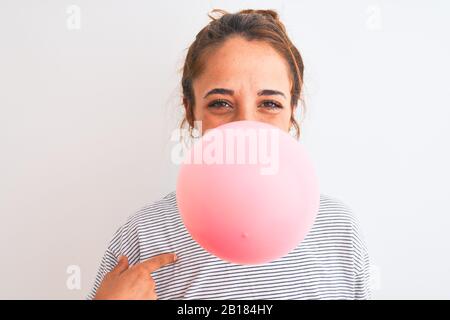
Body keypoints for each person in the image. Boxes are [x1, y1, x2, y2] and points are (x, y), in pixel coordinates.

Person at [87, 8, 371, 300]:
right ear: (190, 110)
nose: (246, 126)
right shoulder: (144, 236)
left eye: (270, 104)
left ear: (292, 112)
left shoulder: (339, 231)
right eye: (221, 103)